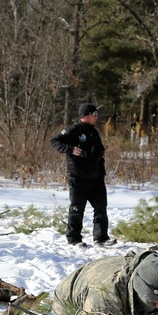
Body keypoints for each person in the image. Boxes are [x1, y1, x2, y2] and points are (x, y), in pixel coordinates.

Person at [50, 102, 113, 246]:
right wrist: (70, 149)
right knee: (77, 208)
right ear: (86, 115)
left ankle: (101, 238)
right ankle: (74, 238)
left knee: (101, 208)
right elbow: (54, 141)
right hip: (78, 177)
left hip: (96, 177)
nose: (97, 117)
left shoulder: (94, 132)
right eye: (94, 114)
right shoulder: (73, 130)